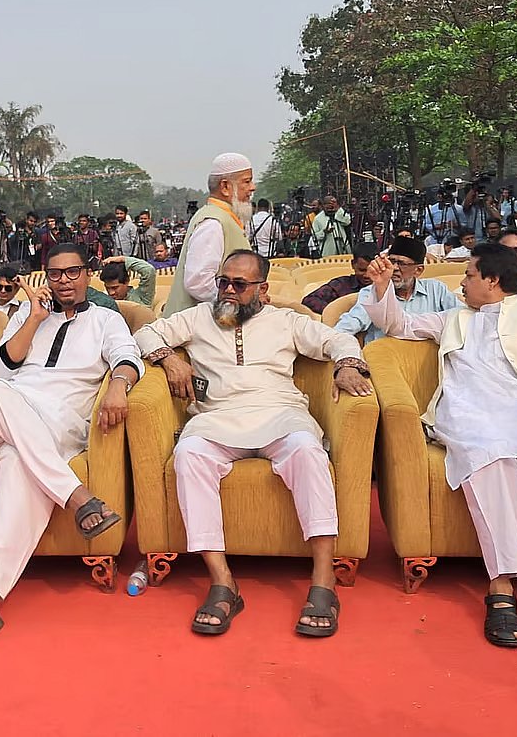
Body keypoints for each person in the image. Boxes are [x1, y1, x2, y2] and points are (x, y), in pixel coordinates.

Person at [362, 244, 517, 649]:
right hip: (471, 415)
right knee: (489, 460)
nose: (462, 283)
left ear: (493, 281)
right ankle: (500, 585)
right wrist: (381, 288)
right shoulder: (453, 318)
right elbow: (398, 325)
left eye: (469, 275)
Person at [134, 249, 371, 637]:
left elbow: (338, 339)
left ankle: (323, 580)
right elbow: (146, 333)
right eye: (223, 282)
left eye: (239, 284)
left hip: (279, 413)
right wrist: (170, 360)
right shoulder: (198, 317)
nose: (228, 291)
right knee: (188, 454)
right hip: (218, 416)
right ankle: (223, 582)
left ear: (262, 289)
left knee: (308, 450)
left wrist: (345, 366)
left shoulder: (286, 321)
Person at [0, 244, 143, 656]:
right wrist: (33, 318)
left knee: (16, 463)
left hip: (57, 426)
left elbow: (126, 356)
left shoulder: (105, 320)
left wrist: (119, 384)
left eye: (72, 272)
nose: (64, 281)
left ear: (87, 274)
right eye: (55, 273)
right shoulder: (27, 315)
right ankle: (76, 496)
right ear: (45, 277)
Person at [163, 153, 254, 317]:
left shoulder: (224, 218)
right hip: (197, 327)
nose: (252, 187)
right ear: (225, 187)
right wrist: (242, 299)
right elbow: (198, 283)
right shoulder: (213, 222)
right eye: (247, 181)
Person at [336, 236, 461, 344]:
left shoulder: (436, 290)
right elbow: (350, 324)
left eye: (402, 263)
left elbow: (462, 317)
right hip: (383, 359)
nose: (394, 268)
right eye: (391, 261)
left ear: (418, 270)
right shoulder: (373, 291)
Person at [300, 243, 378, 314]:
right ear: (353, 264)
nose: (367, 275)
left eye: (372, 271)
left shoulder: (384, 287)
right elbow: (309, 300)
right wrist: (338, 312)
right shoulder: (341, 285)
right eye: (362, 270)